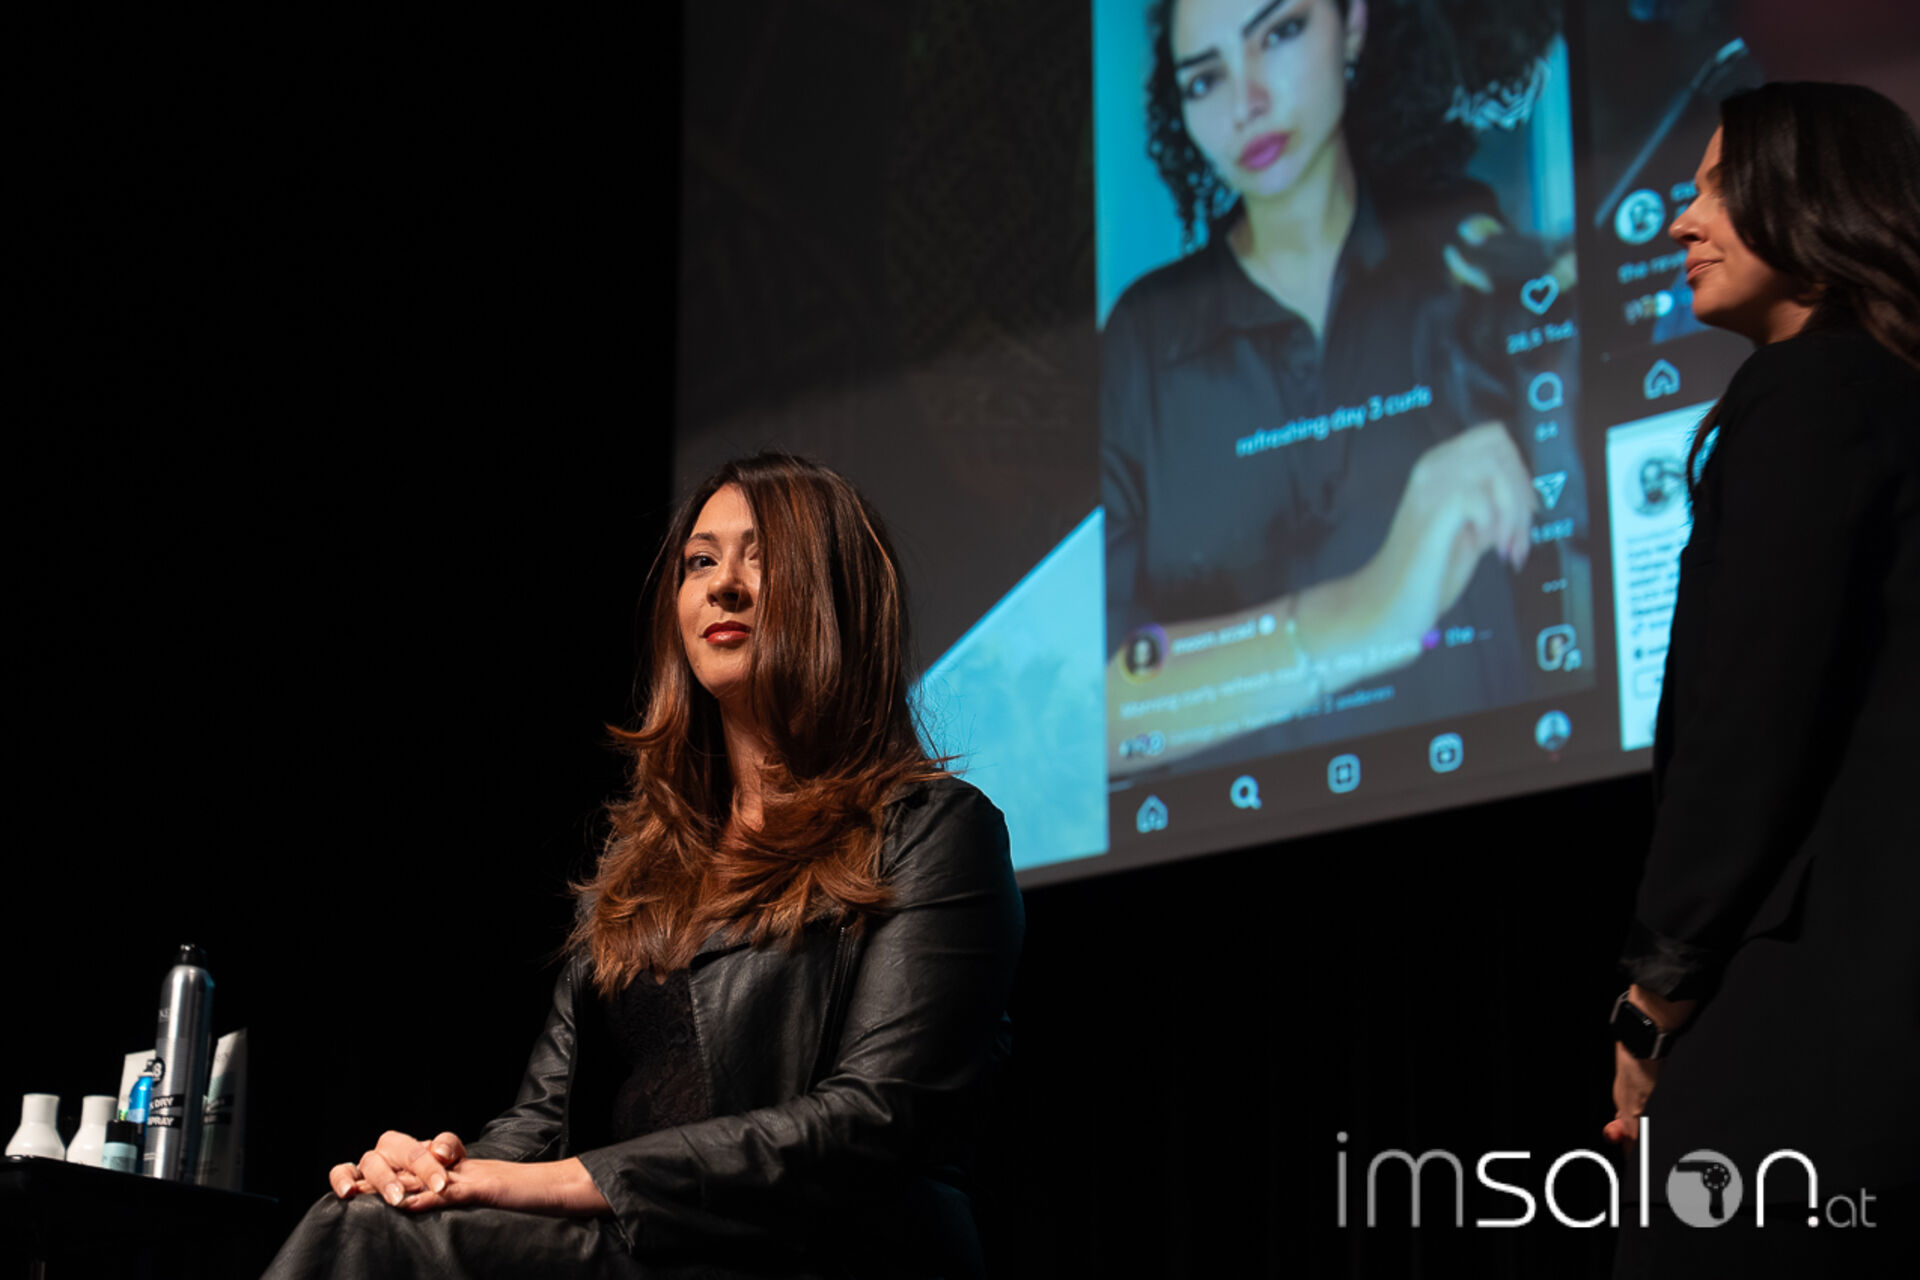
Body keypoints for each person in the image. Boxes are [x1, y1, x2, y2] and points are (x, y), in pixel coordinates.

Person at [263, 454, 1026, 1279]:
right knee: (368, 1216)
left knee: (375, 1244)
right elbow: (543, 1120)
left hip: (797, 1252)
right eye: (701, 561)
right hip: (629, 1248)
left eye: (764, 558)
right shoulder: (641, 867)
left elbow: (874, 1119)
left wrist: (575, 1181)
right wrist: (437, 1173)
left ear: (840, 597)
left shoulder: (933, 831)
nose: (723, 586)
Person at [1602, 82, 1920, 1276]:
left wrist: (1655, 995)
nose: (1679, 220)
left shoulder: (1811, 394)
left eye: (1714, 186)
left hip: (1823, 1020)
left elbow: (1750, 718)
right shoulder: (1886, 395)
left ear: (1817, 195)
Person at [1102, 0, 1577, 776]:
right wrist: (1368, 611)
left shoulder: (1467, 255)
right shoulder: (1144, 337)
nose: (1247, 102)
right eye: (1205, 79)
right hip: (1233, 839)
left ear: (1352, 25)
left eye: (1280, 34)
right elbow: (1094, 709)